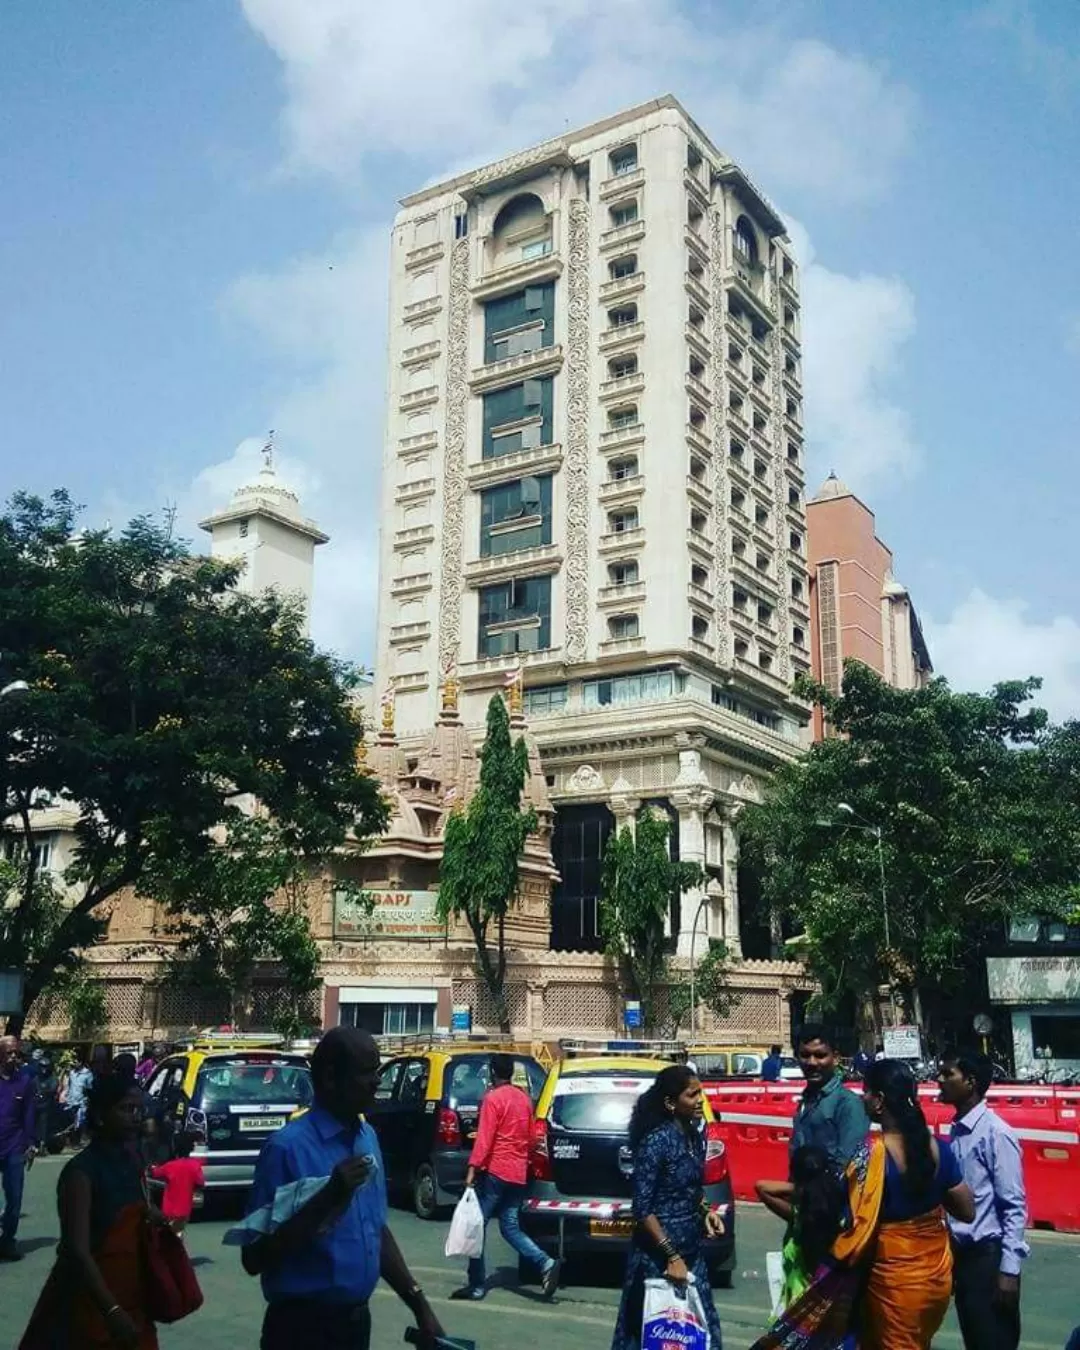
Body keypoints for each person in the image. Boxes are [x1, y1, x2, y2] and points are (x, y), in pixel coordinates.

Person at [240, 1026, 444, 1350]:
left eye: (377, 1070)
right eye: (366, 1072)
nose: (377, 1081)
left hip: (354, 1327)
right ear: (332, 1078)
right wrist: (327, 1200)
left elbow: (376, 1231)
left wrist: (420, 1305)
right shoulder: (286, 1149)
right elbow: (253, 1257)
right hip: (301, 1332)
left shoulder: (367, 1138)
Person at [752, 1059, 974, 1350]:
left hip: (892, 1281)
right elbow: (967, 1210)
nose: (863, 1098)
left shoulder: (871, 1154)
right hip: (936, 1279)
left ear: (879, 1100)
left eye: (866, 1093)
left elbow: (841, 1216)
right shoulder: (938, 1149)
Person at [19, 1075, 161, 1349]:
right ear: (100, 1115)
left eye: (137, 1109)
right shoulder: (81, 1173)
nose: (135, 1117)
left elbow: (140, 1211)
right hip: (89, 1303)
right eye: (125, 1109)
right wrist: (111, 1311)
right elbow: (77, 1250)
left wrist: (157, 1218)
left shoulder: (132, 1161)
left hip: (131, 1298)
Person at [612, 1065, 725, 1350]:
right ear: (671, 1103)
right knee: (656, 1335)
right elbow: (642, 1208)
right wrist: (671, 1256)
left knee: (701, 1331)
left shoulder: (695, 1137)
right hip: (657, 1258)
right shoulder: (655, 1143)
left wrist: (706, 1211)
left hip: (692, 1252)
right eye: (692, 1094)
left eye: (700, 1092)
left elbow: (691, 1189)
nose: (700, 1099)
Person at [938, 1048, 1028, 1350]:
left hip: (987, 1261)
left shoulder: (996, 1134)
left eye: (948, 1074)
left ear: (970, 1082)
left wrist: (1009, 1271)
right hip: (963, 1260)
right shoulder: (958, 1131)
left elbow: (1013, 1206)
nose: (940, 1080)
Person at [453, 1052, 559, 1300]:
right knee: (510, 1226)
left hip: (496, 1170)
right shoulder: (523, 1100)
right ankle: (544, 1262)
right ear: (510, 1072)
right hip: (518, 1172)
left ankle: (477, 1284)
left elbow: (485, 1137)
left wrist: (472, 1168)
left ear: (492, 1072)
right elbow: (532, 1138)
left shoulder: (493, 1099)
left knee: (475, 1226)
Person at [756, 1145, 846, 1309]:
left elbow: (762, 1187)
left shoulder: (799, 1217)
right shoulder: (839, 1214)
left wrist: (804, 1187)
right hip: (831, 1301)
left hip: (800, 1305)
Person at [791, 1024, 868, 1173]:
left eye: (820, 1055)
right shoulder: (806, 1100)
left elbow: (847, 1164)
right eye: (805, 1055)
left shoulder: (848, 1104)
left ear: (836, 1058)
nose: (812, 1062)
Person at [0, 1034, 37, 1261]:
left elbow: (29, 1115)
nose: (14, 1057)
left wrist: (31, 1143)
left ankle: (7, 1241)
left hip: (14, 1148)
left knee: (14, 1198)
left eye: (17, 1053)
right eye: (9, 1052)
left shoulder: (25, 1082)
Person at [149, 1132, 204, 1237]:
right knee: (178, 1234)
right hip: (184, 1209)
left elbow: (154, 1173)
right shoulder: (195, 1165)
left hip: (168, 1209)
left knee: (169, 1235)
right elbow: (200, 1183)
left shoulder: (169, 1166)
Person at [62, 1051, 94, 1146]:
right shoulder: (72, 1073)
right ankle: (72, 1140)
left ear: (81, 1062)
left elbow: (90, 1088)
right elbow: (69, 1086)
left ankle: (77, 1140)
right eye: (74, 1062)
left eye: (76, 1061)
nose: (75, 1063)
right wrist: (66, 1096)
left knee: (79, 1121)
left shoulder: (87, 1074)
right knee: (71, 1121)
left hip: (81, 1102)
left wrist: (87, 1099)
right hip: (71, 1101)